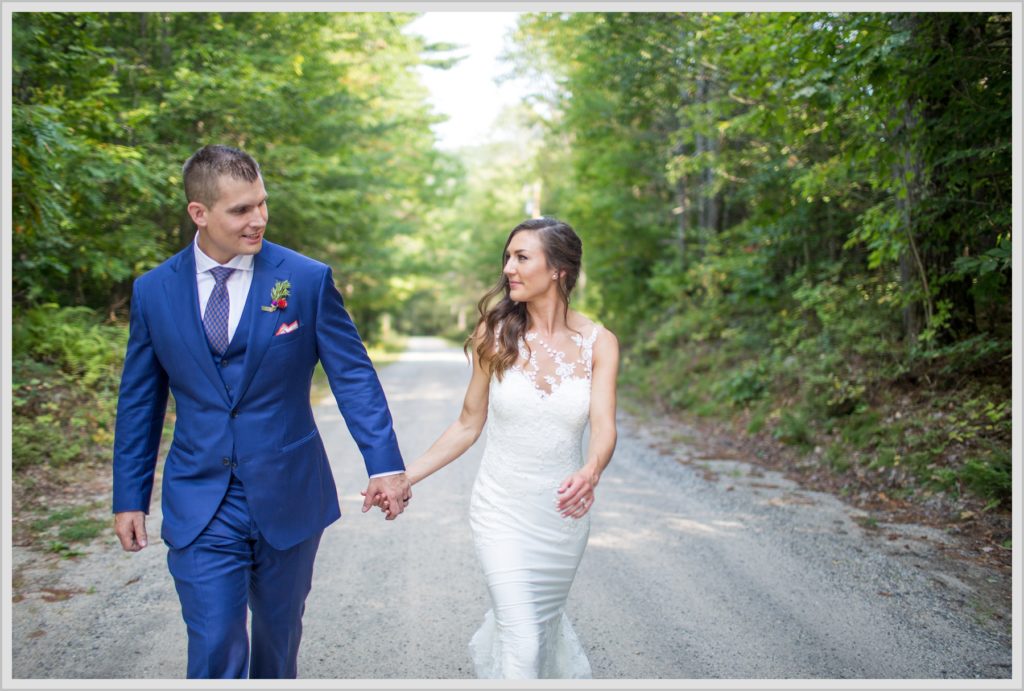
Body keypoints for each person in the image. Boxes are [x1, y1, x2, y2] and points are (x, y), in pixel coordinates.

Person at [111, 144, 412, 679]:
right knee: (214, 645)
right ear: (199, 214)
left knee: (277, 644)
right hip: (201, 497)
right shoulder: (153, 291)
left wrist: (384, 465)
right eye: (241, 210)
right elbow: (140, 402)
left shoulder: (304, 279)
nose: (258, 220)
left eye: (262, 204)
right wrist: (129, 497)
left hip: (290, 491)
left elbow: (353, 376)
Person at [382, 217, 619, 678]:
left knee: (540, 634)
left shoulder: (599, 343)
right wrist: (405, 476)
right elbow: (469, 424)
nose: (509, 267)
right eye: (508, 257)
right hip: (501, 511)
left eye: (522, 257)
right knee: (523, 640)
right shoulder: (496, 335)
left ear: (559, 270)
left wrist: (591, 471)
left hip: (561, 519)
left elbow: (604, 426)